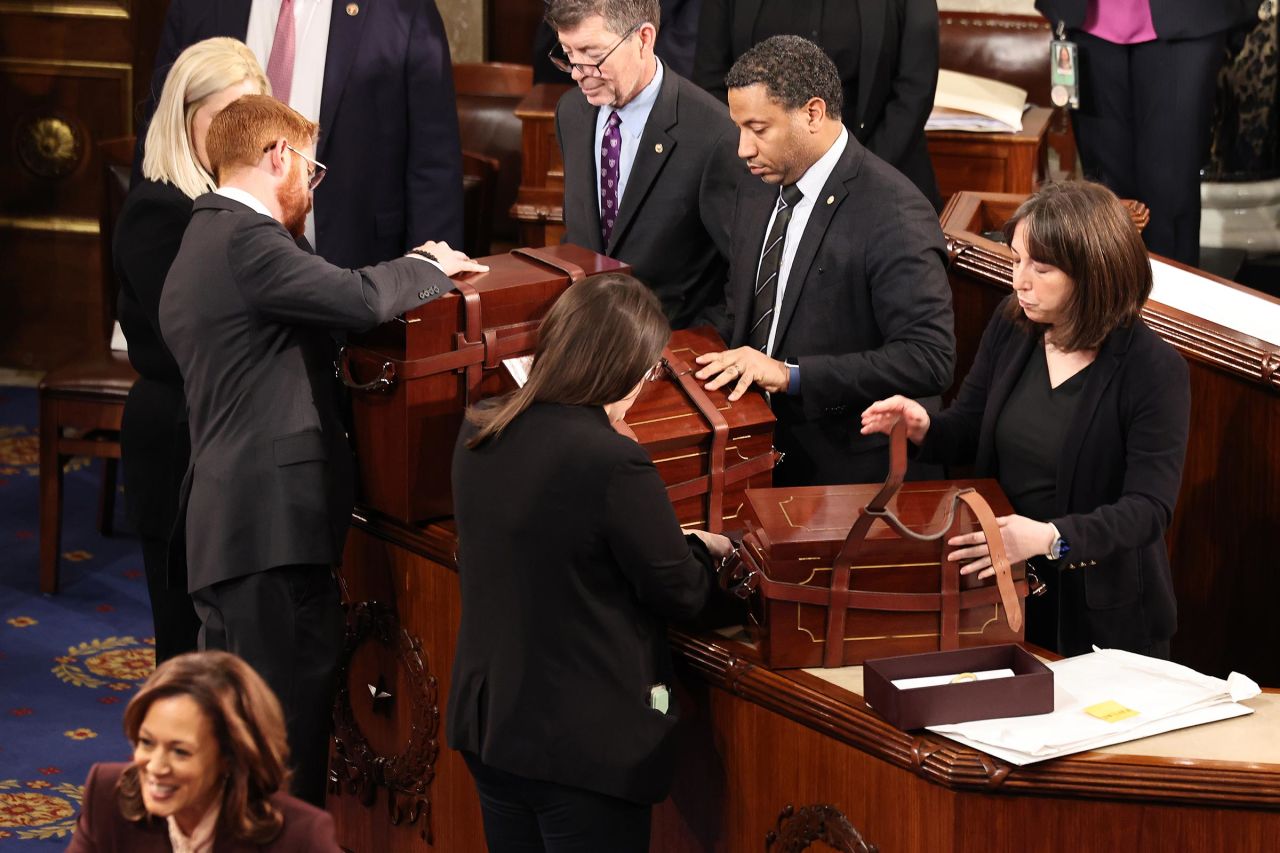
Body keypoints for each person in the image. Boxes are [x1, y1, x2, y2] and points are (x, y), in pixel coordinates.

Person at [158, 94, 486, 807]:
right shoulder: (247, 241)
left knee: (250, 742)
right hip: (265, 536)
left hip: (238, 531)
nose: (312, 183)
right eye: (311, 167)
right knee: (280, 748)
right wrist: (427, 264)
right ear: (278, 157)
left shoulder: (205, 237)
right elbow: (357, 297)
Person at [447, 273, 741, 852]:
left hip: (492, 730)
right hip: (580, 752)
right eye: (651, 368)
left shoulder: (481, 425)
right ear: (624, 367)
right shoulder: (611, 460)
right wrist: (707, 553)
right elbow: (682, 593)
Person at [861, 181, 1190, 658]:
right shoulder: (1013, 325)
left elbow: (1148, 509)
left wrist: (1049, 539)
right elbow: (971, 428)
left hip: (1103, 615)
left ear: (1093, 272)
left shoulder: (1153, 369)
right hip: (1001, 590)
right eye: (1016, 260)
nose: (1020, 281)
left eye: (1042, 267)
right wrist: (924, 428)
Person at [694, 35, 955, 487]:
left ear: (812, 113)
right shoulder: (757, 185)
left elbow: (928, 358)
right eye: (739, 128)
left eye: (758, 129)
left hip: (845, 468)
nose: (743, 149)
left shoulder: (894, 212)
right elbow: (744, 307)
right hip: (749, 444)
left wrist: (791, 376)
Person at [115, 38, 269, 668]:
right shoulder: (161, 210)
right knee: (186, 648)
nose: (241, 134)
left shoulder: (234, 201)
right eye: (225, 117)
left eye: (251, 118)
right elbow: (193, 341)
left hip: (226, 441)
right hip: (179, 441)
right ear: (185, 117)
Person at [138, 0, 463, 267]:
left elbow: (433, 167)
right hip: (220, 291)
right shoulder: (197, 7)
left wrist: (429, 297)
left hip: (360, 277)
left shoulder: (403, 10)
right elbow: (162, 139)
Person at [546, 0, 742, 329]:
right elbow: (580, 239)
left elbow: (742, 275)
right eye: (568, 55)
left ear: (644, 38)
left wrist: (695, 347)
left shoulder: (715, 135)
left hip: (672, 348)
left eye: (593, 56)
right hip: (587, 340)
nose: (580, 75)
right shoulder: (570, 113)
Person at [1034, 0, 1265, 267]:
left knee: (1172, 192)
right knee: (1105, 192)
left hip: (1190, 18)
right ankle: (1109, 303)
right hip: (1087, 21)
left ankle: (1171, 303)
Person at [67, 651, 342, 851]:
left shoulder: (299, 837)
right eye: (147, 743)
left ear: (229, 758)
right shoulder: (107, 797)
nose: (156, 767)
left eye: (180, 752)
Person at [693, 0, 943, 210]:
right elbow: (710, 79)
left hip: (883, 173)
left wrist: (857, 173)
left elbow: (915, 88)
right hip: (757, 184)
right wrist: (757, 161)